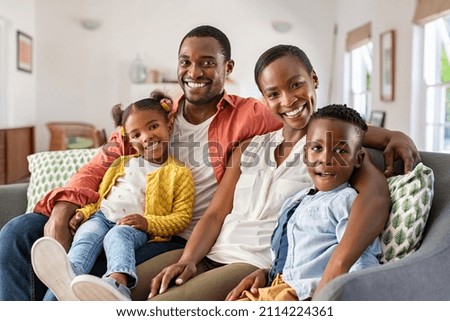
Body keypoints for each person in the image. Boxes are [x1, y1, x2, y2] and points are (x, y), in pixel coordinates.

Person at [0, 25, 282, 301]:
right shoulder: (155, 113)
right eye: (185, 62)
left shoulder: (251, 114)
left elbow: (301, 120)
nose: (194, 72)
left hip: (168, 234)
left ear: (228, 67)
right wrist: (63, 212)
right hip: (109, 214)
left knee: (99, 267)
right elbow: (100, 163)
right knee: (16, 234)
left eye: (207, 63)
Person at [133, 44, 419, 301]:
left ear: (314, 79)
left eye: (296, 85)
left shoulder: (331, 154)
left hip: (249, 264)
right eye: (274, 94)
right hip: (210, 253)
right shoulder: (248, 148)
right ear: (265, 100)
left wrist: (395, 136)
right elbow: (215, 214)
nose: (288, 100)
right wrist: (189, 259)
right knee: (118, 288)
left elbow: (375, 197)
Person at [30, 92, 195, 301]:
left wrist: (147, 223)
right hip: (102, 217)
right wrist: (83, 213)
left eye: (153, 127)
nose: (146, 137)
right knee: (86, 235)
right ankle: (66, 277)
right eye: (136, 135)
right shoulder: (121, 164)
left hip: (132, 227)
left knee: (117, 237)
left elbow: (181, 219)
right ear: (129, 139)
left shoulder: (179, 173)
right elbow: (102, 199)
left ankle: (117, 284)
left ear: (169, 127)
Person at [234, 104, 381, 301]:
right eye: (317, 148)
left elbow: (362, 261)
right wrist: (266, 273)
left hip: (304, 293)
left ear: (358, 159)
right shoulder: (296, 200)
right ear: (305, 154)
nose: (326, 159)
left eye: (340, 151)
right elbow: (292, 254)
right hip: (273, 286)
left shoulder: (345, 201)